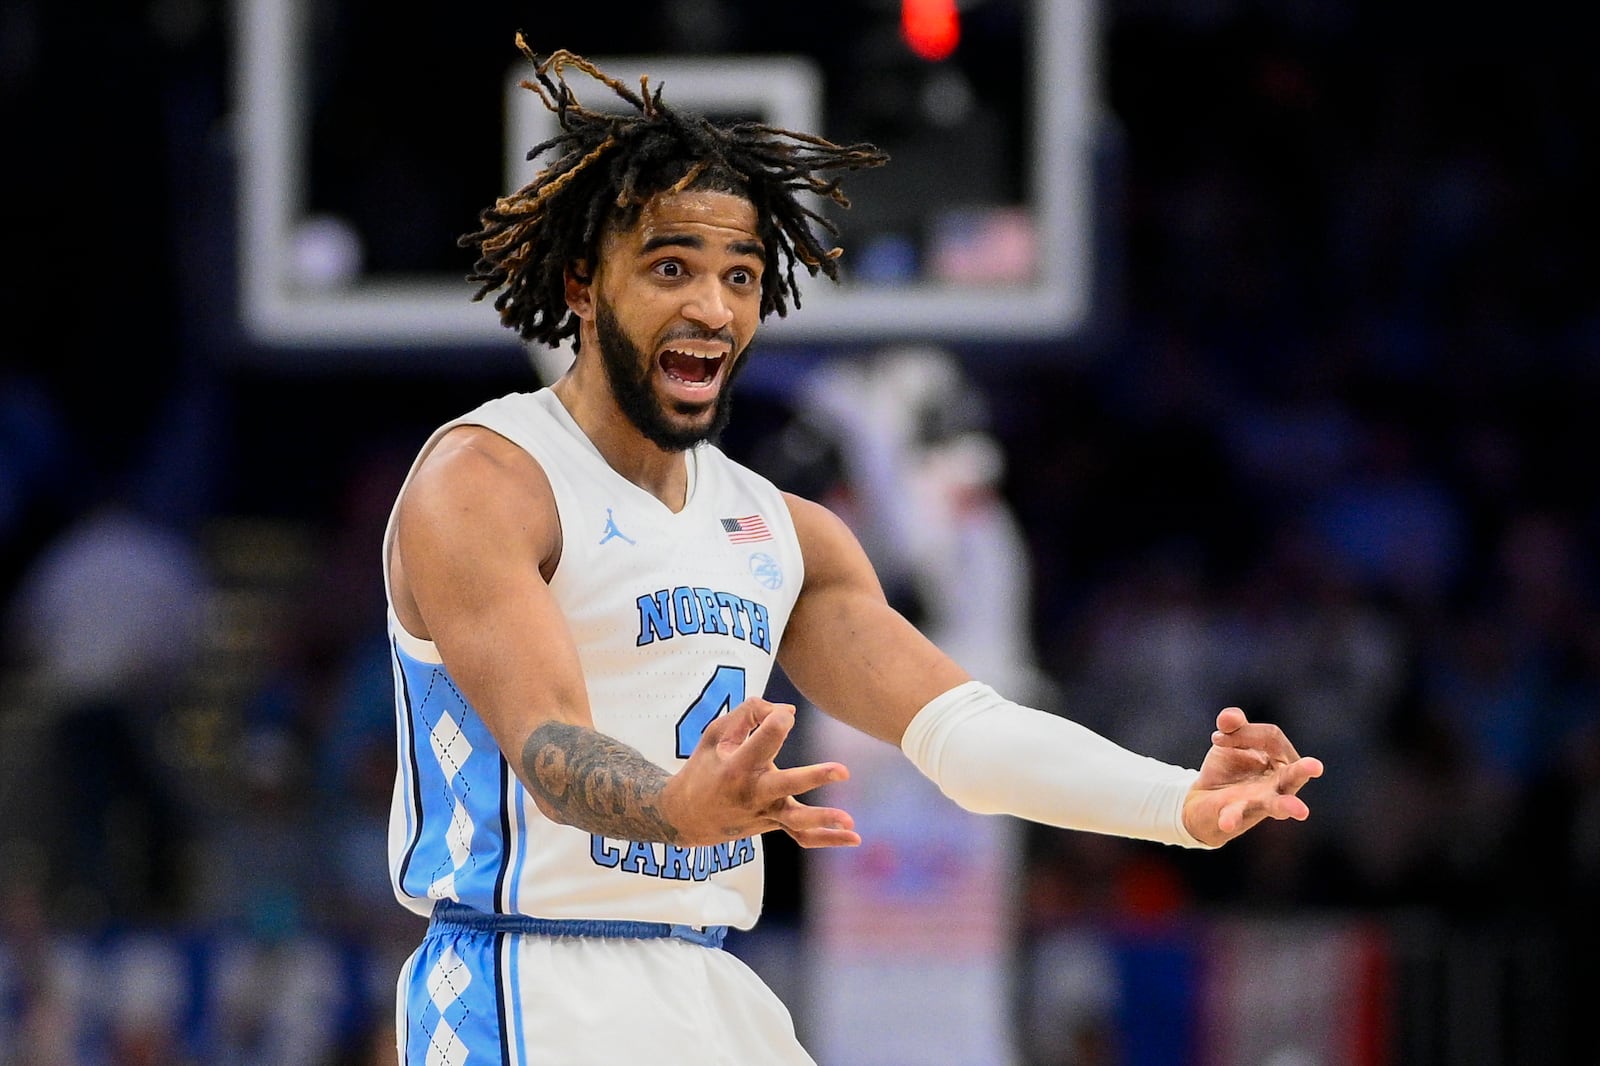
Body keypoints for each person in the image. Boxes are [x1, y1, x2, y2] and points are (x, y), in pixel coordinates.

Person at [382, 39, 1324, 1065]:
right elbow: (551, 747)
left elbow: (963, 733)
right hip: (532, 980)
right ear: (579, 283)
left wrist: (1175, 801)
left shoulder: (782, 531)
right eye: (669, 268)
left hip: (708, 979)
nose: (711, 305)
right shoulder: (485, 480)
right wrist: (675, 803)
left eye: (739, 275)